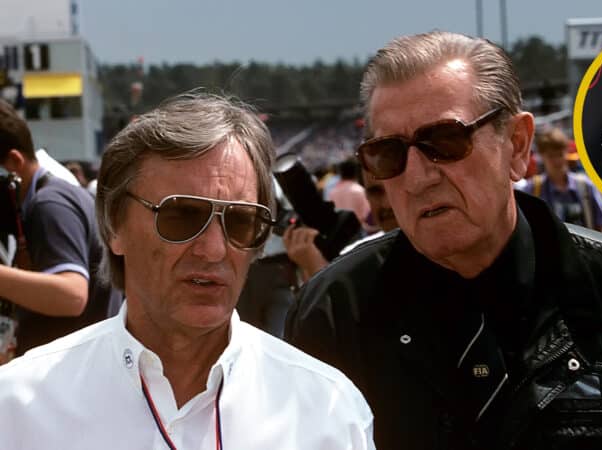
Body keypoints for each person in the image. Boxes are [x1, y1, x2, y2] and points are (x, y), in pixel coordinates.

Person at [286, 31, 602, 450]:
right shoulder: (333, 313)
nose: (416, 178)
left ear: (516, 146)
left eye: (443, 141)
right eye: (389, 154)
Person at [0, 93, 374, 449]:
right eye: (181, 216)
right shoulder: (18, 406)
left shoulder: (329, 412)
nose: (213, 249)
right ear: (114, 227)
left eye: (241, 222)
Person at [0, 100, 122, 357]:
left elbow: (71, 295)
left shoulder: (50, 205)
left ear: (13, 162)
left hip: (72, 379)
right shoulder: (57, 197)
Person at [522, 126, 602, 231]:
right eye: (551, 156)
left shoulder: (585, 186)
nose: (557, 160)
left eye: (559, 155)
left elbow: (600, 226)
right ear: (542, 156)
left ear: (566, 152)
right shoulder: (533, 189)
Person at [328, 157, 371, 227]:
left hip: (340, 230)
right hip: (357, 229)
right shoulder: (359, 191)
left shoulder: (333, 192)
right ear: (355, 172)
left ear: (341, 173)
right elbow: (366, 214)